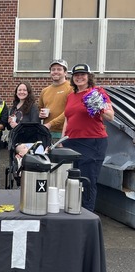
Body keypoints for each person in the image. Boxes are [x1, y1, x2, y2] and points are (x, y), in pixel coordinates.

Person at [62, 63, 114, 212]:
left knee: (87, 181)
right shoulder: (71, 96)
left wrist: (98, 105)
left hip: (92, 142)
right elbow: (68, 118)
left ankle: (87, 214)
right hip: (71, 143)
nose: (79, 77)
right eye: (76, 75)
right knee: (73, 180)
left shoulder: (97, 92)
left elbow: (110, 116)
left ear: (89, 76)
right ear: (72, 78)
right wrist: (62, 140)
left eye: (83, 74)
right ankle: (74, 210)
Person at [39, 59, 73, 141]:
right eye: (53, 69)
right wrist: (41, 115)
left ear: (65, 72)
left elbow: (69, 111)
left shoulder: (71, 88)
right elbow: (40, 109)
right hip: (48, 132)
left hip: (65, 133)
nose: (55, 72)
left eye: (59, 69)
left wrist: (51, 123)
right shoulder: (45, 91)